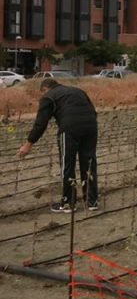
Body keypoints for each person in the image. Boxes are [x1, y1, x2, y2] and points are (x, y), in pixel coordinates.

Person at [17, 79, 99, 213]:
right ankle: (92, 202)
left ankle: (68, 203)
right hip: (91, 126)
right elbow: (93, 111)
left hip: (70, 129)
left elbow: (40, 123)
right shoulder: (78, 91)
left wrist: (28, 144)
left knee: (67, 164)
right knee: (89, 162)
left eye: (42, 93)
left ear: (45, 89)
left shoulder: (48, 96)